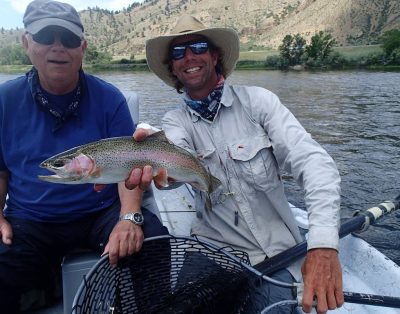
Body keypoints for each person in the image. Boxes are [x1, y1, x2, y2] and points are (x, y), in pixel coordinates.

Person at [128, 15, 344, 313]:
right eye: (178, 52)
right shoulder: (174, 121)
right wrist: (157, 155)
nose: (189, 56)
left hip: (275, 254)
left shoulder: (260, 103)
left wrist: (322, 245)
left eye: (198, 46)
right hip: (211, 250)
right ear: (173, 67)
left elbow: (314, 163)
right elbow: (176, 154)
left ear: (215, 55)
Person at [0, 1, 168, 312]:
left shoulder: (110, 99)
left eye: (68, 39)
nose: (58, 47)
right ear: (26, 43)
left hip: (99, 213)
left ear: (83, 48)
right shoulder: (4, 101)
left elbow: (129, 164)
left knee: (154, 242)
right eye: (46, 36)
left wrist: (129, 218)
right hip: (30, 220)